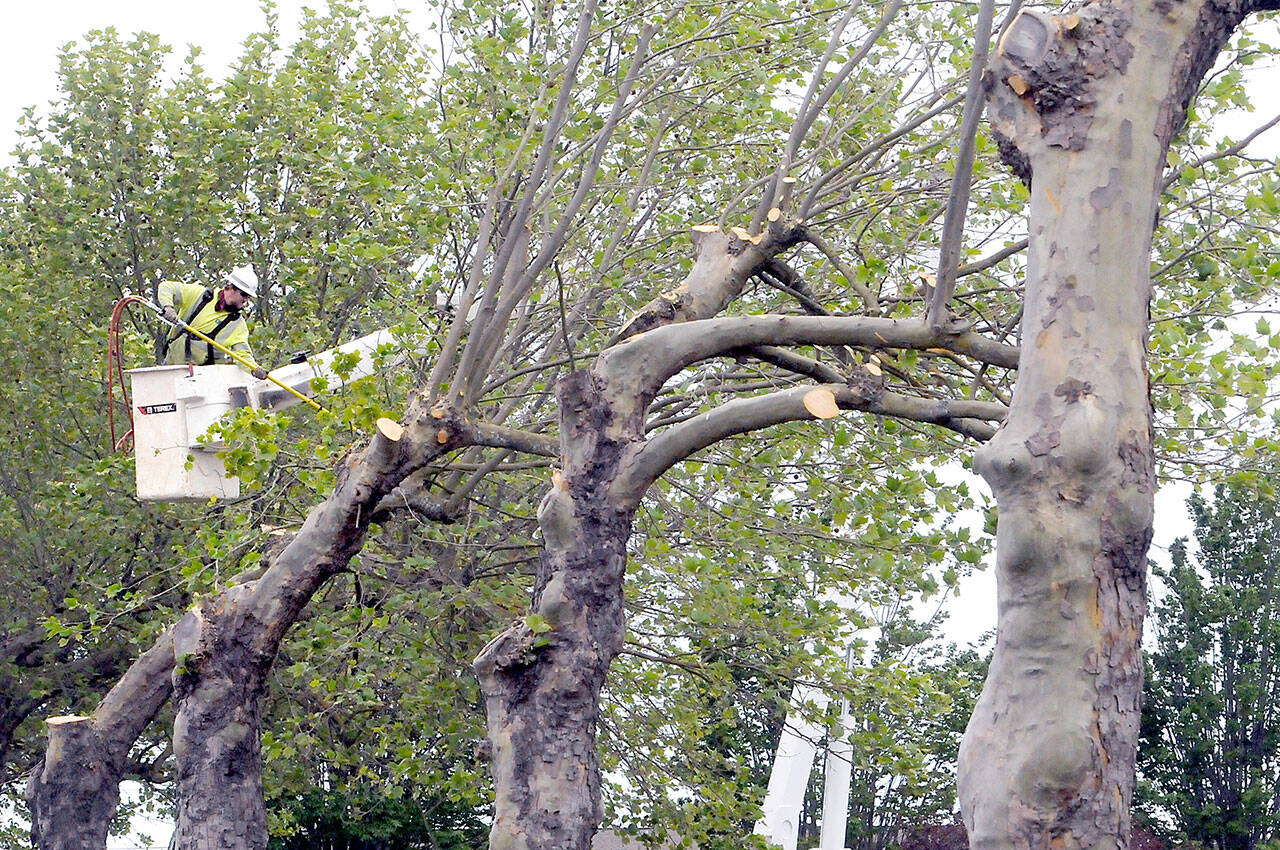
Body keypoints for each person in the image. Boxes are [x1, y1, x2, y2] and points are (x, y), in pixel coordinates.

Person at [157, 265, 268, 379]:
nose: (246, 300)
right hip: (170, 368)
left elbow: (243, 354)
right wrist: (168, 307)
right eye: (244, 294)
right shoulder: (200, 296)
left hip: (203, 378)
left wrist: (254, 369)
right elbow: (166, 287)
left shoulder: (237, 324)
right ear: (231, 288)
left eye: (248, 296)